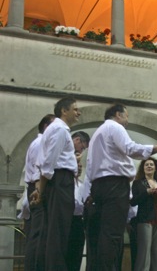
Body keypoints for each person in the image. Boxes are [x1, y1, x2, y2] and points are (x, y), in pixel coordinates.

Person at [85, 103, 157, 270]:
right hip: (115, 185)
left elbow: (91, 165)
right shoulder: (115, 127)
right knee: (113, 234)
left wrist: (93, 189)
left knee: (103, 234)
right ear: (118, 115)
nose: (127, 120)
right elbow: (131, 148)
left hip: (100, 186)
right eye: (126, 116)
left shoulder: (98, 133)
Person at [31, 97, 81, 270]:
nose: (78, 112)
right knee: (58, 231)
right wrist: (41, 190)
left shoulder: (54, 129)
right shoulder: (60, 129)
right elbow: (48, 164)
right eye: (75, 109)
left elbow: (45, 162)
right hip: (60, 181)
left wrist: (40, 188)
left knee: (50, 231)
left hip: (56, 181)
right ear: (64, 111)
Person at [24, 114, 55, 271]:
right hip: (38, 189)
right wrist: (39, 191)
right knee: (38, 234)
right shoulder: (39, 144)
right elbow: (38, 171)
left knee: (42, 233)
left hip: (39, 188)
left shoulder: (41, 143)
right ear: (46, 127)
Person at [130, 157, 157, 271]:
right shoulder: (137, 183)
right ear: (143, 168)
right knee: (144, 252)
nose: (149, 166)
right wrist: (146, 192)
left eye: (151, 165)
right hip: (144, 220)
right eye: (146, 165)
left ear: (155, 168)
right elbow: (133, 202)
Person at [66, 131, 90, 271]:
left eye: (81, 167)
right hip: (66, 219)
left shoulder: (82, 185)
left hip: (78, 221)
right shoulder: (66, 183)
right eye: (77, 166)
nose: (79, 169)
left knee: (76, 254)